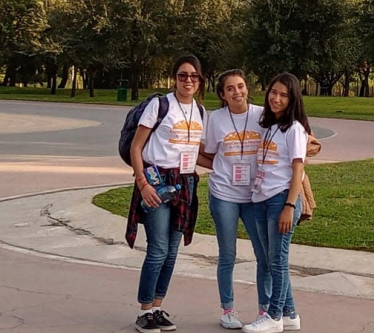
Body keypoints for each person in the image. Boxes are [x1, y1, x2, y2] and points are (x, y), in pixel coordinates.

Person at [126, 55, 206, 333]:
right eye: (183, 75)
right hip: (157, 182)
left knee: (172, 251)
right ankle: (144, 311)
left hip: (185, 183)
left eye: (194, 76)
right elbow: (137, 147)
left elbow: (196, 154)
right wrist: (142, 184)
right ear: (175, 77)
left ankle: (158, 308)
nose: (188, 80)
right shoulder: (159, 105)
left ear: (200, 80)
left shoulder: (200, 111)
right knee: (158, 248)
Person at [200, 69, 273, 329]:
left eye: (240, 86)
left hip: (256, 195)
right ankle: (228, 309)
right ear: (222, 94)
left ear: (247, 89)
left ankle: (265, 310)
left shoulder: (262, 115)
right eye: (230, 88)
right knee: (227, 254)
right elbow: (205, 152)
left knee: (264, 255)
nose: (237, 92)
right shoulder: (216, 119)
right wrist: (222, 169)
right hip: (224, 195)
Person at [243, 73, 309, 333]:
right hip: (261, 198)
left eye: (284, 95)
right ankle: (290, 313)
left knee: (277, 260)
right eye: (274, 92)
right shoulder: (270, 126)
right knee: (272, 261)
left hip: (281, 200)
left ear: (292, 100)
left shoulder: (295, 129)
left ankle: (274, 316)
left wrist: (289, 207)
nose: (277, 98)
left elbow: (298, 171)